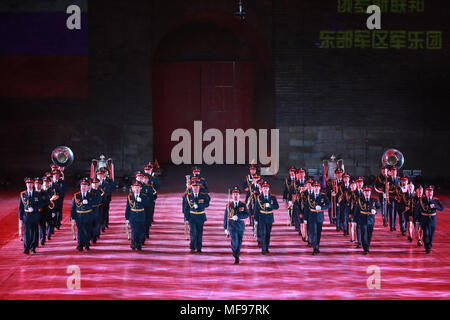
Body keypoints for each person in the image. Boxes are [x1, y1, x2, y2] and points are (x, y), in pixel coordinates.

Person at [19, 178, 47, 254]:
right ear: (26, 184)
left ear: (32, 185)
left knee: (34, 232)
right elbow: (21, 207)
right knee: (27, 232)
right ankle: (26, 248)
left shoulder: (37, 194)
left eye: (31, 184)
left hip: (35, 215)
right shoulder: (22, 194)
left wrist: (34, 208)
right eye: (28, 184)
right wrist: (20, 218)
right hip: (26, 215)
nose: (29, 185)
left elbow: (42, 203)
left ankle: (33, 247)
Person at [302, 182, 330, 255]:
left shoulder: (323, 196)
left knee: (318, 233)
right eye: (315, 187)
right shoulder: (309, 196)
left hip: (320, 217)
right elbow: (306, 208)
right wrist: (305, 218)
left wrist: (322, 207)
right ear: (313, 188)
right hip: (312, 216)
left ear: (320, 188)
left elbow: (329, 205)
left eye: (318, 187)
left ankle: (317, 245)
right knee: (314, 232)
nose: (316, 188)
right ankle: (315, 248)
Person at [183, 180, 210, 253]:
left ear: (199, 187)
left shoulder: (203, 195)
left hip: (200, 216)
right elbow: (186, 208)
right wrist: (186, 218)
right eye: (194, 186)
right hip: (192, 217)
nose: (195, 188)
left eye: (197, 186)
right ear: (191, 187)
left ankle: (199, 247)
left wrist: (200, 205)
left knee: (199, 233)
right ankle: (192, 247)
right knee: (193, 232)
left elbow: (207, 204)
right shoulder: (188, 196)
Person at [415, 186, 444, 254]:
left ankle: (430, 246)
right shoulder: (422, 200)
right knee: (426, 233)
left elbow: (442, 208)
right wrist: (417, 219)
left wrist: (435, 206)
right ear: (425, 192)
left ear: (433, 192)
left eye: (431, 192)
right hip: (424, 219)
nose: (429, 193)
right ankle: (427, 247)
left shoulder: (436, 200)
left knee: (431, 234)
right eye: (428, 192)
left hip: (432, 219)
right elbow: (417, 210)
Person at [224, 187, 249, 264]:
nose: (235, 196)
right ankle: (236, 255)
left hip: (240, 226)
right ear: (232, 195)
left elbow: (246, 214)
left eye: (237, 194)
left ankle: (236, 253)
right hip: (232, 226)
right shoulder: (229, 205)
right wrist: (225, 228)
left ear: (239, 195)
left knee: (239, 242)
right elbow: (225, 217)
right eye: (234, 194)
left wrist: (238, 216)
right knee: (235, 242)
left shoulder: (243, 205)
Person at [353, 186, 380, 254]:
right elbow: (356, 211)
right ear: (363, 192)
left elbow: (379, 208)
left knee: (369, 234)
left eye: (368, 192)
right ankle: (366, 249)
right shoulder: (360, 200)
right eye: (365, 192)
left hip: (371, 219)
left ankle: (367, 245)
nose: (367, 193)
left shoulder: (374, 200)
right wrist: (355, 221)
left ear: (370, 192)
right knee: (363, 233)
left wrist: (376, 211)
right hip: (362, 219)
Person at [70, 178, 95, 251]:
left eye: (85, 186)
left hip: (88, 215)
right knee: (80, 230)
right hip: (79, 216)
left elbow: (96, 202)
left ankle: (87, 244)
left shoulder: (91, 195)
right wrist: (72, 217)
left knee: (87, 230)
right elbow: (73, 208)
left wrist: (89, 202)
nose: (83, 188)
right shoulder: (76, 196)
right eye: (82, 186)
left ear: (88, 187)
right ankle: (80, 244)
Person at [254, 181, 279, 255]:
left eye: (266, 188)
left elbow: (277, 206)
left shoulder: (272, 197)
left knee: (268, 233)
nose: (265, 189)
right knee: (263, 233)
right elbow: (256, 209)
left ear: (268, 189)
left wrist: (270, 206)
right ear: (262, 189)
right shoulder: (259, 197)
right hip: (261, 217)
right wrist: (255, 219)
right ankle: (263, 249)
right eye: (264, 188)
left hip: (269, 217)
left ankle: (267, 247)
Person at [125, 181, 149, 251]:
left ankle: (139, 244)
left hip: (141, 215)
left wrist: (141, 201)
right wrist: (127, 217)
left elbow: (147, 205)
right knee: (134, 230)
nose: (136, 189)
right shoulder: (130, 197)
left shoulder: (144, 196)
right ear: (133, 188)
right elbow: (128, 207)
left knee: (141, 231)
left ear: (140, 188)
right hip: (133, 215)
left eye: (138, 187)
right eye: (135, 187)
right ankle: (133, 243)